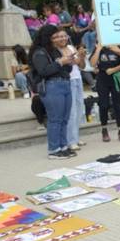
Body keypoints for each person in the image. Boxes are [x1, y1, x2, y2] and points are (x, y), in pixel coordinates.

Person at [29, 25, 77, 159]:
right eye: (54, 37)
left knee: (64, 118)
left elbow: (67, 70)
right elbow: (43, 71)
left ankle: (63, 146)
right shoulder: (39, 52)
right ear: (47, 37)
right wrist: (60, 62)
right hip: (52, 86)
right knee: (55, 119)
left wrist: (68, 61)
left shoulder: (55, 50)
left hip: (65, 83)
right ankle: (54, 149)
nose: (57, 39)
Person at [54, 32, 87, 151]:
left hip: (78, 79)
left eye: (64, 36)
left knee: (79, 109)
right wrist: (73, 59)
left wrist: (81, 56)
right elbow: (68, 62)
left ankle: (75, 137)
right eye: (60, 36)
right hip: (67, 81)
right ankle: (70, 140)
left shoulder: (71, 47)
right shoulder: (55, 50)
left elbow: (82, 65)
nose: (63, 38)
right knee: (71, 111)